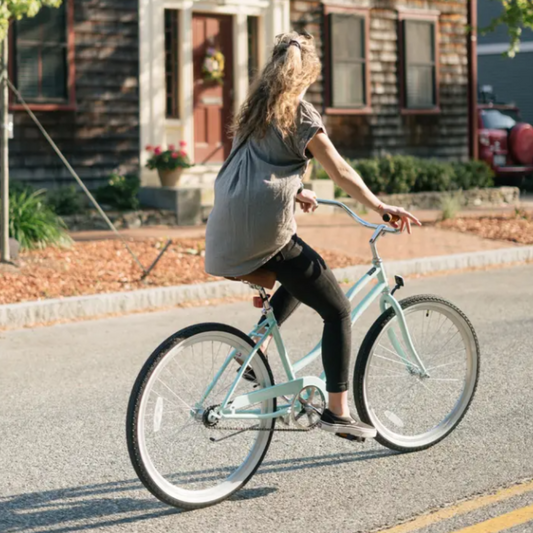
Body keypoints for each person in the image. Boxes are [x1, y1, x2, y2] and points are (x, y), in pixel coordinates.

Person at [205, 31, 421, 439]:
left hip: (223, 227)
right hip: (264, 231)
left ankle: (258, 346)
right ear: (306, 76)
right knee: (336, 309)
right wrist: (380, 207)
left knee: (304, 270)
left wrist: (297, 188)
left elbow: (256, 164)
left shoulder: (253, 110)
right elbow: (340, 171)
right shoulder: (300, 114)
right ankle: (338, 411)